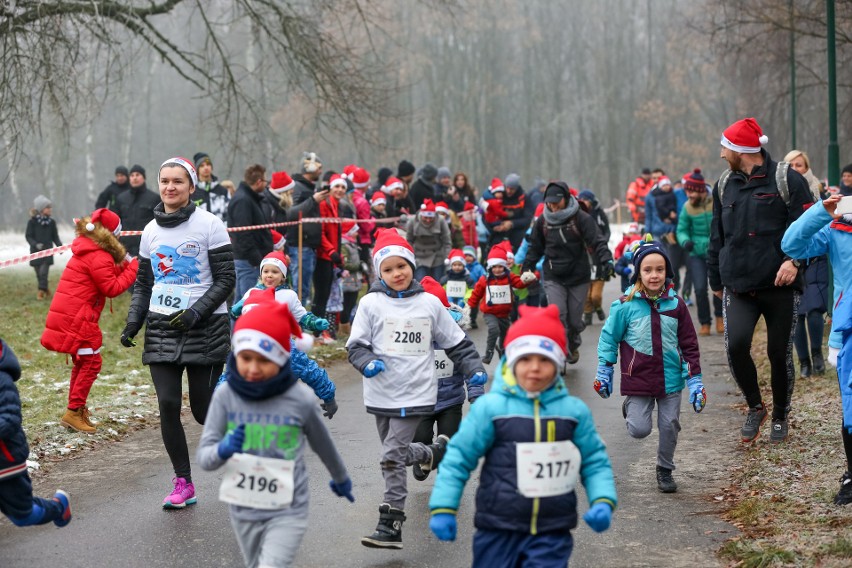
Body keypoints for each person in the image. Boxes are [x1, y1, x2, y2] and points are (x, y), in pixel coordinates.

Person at [428, 304, 617, 566]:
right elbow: (459, 458)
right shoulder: (491, 409)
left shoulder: (573, 412)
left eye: (545, 360)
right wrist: (444, 507)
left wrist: (603, 500)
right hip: (497, 527)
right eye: (526, 359)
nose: (535, 368)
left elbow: (594, 460)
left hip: (552, 531)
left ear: (558, 364)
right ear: (511, 362)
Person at [345, 228, 486, 549]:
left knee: (391, 458)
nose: (397, 273)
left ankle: (391, 523)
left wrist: (474, 368)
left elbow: (458, 344)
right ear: (379, 272)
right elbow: (355, 346)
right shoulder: (370, 304)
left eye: (402, 266)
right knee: (397, 452)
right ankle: (433, 452)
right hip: (381, 394)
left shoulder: (429, 304)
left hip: (418, 393)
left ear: (412, 264)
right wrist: (367, 362)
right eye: (388, 269)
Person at [197, 300, 353, 568]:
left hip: (289, 506)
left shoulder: (299, 399)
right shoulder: (226, 395)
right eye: (246, 359)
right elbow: (205, 458)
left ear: (282, 357)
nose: (254, 369)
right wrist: (223, 449)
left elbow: (323, 445)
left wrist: (341, 478)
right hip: (243, 504)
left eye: (264, 360)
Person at [121, 157, 236, 508]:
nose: (170, 187)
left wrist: (195, 312)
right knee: (168, 405)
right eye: (165, 181)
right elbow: (144, 283)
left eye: (178, 181)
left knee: (204, 412)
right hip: (162, 327)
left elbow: (227, 280)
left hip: (205, 327)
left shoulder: (210, 225)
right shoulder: (151, 230)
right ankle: (183, 482)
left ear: (191, 187)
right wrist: (133, 322)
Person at [708, 117, 814, 444]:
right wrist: (715, 276)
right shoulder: (724, 185)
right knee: (736, 346)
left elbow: (810, 227)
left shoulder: (788, 180)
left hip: (779, 285)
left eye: (726, 146)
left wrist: (795, 262)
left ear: (742, 149)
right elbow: (717, 236)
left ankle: (781, 412)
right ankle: (756, 406)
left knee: (777, 351)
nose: (722, 153)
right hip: (738, 285)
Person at [596, 238, 704, 493]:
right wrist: (605, 369)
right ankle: (631, 408)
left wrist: (695, 380)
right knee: (639, 430)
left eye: (659, 269)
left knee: (669, 425)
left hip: (670, 379)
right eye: (647, 270)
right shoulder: (625, 306)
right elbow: (609, 338)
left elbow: (689, 343)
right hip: (639, 378)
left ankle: (664, 469)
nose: (654, 275)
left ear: (667, 271)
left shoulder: (676, 305)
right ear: (638, 273)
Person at [781, 193, 852, 505]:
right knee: (851, 404)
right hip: (849, 327)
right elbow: (792, 245)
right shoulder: (838, 226)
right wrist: (821, 213)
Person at [40, 208, 138, 433]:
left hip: (75, 315)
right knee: (92, 362)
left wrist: (122, 266)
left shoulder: (91, 250)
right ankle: (74, 411)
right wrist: (133, 269)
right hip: (78, 319)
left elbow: (103, 274)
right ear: (111, 235)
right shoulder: (99, 255)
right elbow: (111, 287)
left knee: (85, 362)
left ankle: (76, 409)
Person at [521, 181, 613, 366]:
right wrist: (527, 266)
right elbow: (535, 247)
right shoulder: (543, 221)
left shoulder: (580, 218)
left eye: (557, 202)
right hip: (554, 275)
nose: (553, 206)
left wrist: (606, 259)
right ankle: (561, 351)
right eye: (550, 203)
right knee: (558, 315)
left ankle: (573, 342)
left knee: (573, 320)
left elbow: (597, 240)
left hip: (578, 276)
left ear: (565, 198)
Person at [411, 277, 482, 483]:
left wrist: (476, 393)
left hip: (451, 401)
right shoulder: (410, 338)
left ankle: (447, 477)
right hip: (421, 401)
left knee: (449, 442)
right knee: (420, 438)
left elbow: (470, 364)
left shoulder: (456, 337)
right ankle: (422, 459)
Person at [0, 339, 72, 528]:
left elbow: (10, 418)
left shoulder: (2, 380)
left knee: (24, 516)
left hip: (5, 460)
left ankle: (58, 506)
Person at [784, 150, 829, 377]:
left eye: (799, 165)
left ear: (807, 167)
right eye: (790, 166)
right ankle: (803, 361)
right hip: (793, 258)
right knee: (798, 312)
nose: (795, 169)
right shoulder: (781, 193)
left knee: (814, 308)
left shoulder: (819, 192)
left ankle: (817, 354)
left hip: (817, 256)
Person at [468, 245, 533, 364]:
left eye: (500, 267)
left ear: (504, 266)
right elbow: (476, 293)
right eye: (494, 267)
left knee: (505, 334)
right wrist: (470, 306)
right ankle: (489, 353)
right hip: (489, 312)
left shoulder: (509, 277)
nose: (497, 270)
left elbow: (519, 284)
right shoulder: (485, 279)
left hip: (504, 313)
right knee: (494, 330)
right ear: (490, 267)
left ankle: (503, 351)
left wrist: (526, 280)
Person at [677, 169, 722, 336]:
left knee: (718, 285)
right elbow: (681, 229)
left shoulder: (716, 202)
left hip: (716, 250)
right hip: (696, 252)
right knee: (700, 288)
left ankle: (720, 317)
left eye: (691, 191)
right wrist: (685, 241)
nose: (688, 195)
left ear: (701, 190)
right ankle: (705, 322)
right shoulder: (687, 207)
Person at [229, 164, 273, 300]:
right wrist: (257, 261)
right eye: (265, 181)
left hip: (250, 261)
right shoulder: (243, 200)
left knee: (241, 302)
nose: (266, 185)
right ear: (259, 182)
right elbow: (243, 235)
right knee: (247, 302)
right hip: (248, 262)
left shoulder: (249, 198)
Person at [286, 152, 326, 305]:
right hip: (300, 245)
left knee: (305, 290)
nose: (320, 171)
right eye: (318, 168)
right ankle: (295, 326)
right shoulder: (298, 188)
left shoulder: (307, 187)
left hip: (308, 245)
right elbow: (291, 213)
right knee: (300, 291)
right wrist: (313, 201)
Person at [312, 174, 347, 343]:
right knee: (320, 295)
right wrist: (332, 251)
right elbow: (322, 231)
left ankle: (320, 331)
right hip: (322, 255)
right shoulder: (325, 204)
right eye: (337, 187)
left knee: (325, 296)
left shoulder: (336, 205)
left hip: (330, 256)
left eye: (343, 187)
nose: (340, 190)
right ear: (330, 188)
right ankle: (317, 332)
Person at [578, 189, 611, 324]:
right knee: (585, 293)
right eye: (582, 200)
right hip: (583, 257)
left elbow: (606, 231)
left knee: (595, 295)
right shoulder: (577, 215)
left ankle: (597, 306)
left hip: (598, 255)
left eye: (586, 200)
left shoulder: (599, 214)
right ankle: (587, 315)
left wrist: (601, 243)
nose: (584, 203)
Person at [113, 164, 160, 258]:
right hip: (124, 248)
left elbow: (159, 222)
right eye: (132, 175)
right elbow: (114, 221)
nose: (134, 178)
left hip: (147, 248)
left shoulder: (154, 198)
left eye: (138, 175)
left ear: (144, 177)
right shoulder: (121, 198)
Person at [25, 194, 62, 300]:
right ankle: (46, 289)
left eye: (50, 207)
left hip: (48, 252)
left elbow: (55, 236)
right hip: (35, 252)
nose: (50, 209)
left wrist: (59, 246)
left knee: (43, 272)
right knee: (39, 274)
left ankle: (40, 292)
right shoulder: (32, 222)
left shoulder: (52, 223)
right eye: (48, 207)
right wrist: (35, 244)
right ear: (41, 209)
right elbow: (28, 236)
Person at [406, 199, 452, 281]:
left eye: (431, 218)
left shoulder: (441, 221)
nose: (428, 220)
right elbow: (409, 240)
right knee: (421, 282)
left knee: (438, 283)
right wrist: (411, 257)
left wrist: (447, 258)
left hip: (437, 257)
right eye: (425, 217)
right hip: (419, 257)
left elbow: (447, 242)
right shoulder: (413, 221)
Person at [494, 173, 534, 250]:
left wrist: (512, 223)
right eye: (507, 188)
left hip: (518, 235)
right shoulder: (499, 195)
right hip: (500, 234)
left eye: (512, 189)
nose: (508, 191)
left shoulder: (524, 198)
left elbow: (527, 219)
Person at [193, 152, 230, 225]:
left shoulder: (223, 191)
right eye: (202, 166)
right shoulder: (192, 192)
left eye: (208, 164)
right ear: (197, 169)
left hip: (220, 232)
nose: (206, 167)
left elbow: (229, 214)